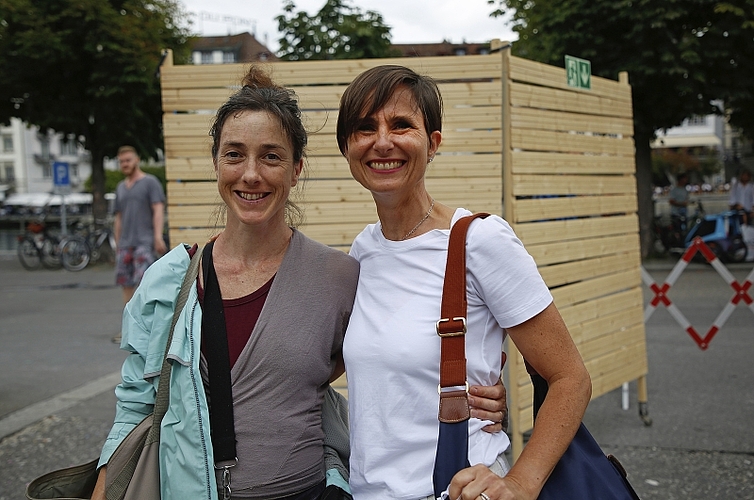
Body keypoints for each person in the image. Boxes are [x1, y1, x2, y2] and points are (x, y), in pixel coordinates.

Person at [92, 66, 505, 500]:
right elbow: (134, 409)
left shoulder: (339, 276)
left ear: (296, 170)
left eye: (271, 156)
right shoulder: (169, 281)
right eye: (234, 154)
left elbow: (395, 357)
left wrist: (480, 396)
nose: (251, 174)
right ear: (216, 163)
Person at [336, 65, 592, 500]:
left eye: (402, 125)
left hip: (456, 491)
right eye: (364, 128)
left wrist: (520, 484)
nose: (382, 141)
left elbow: (570, 378)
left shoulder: (479, 240)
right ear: (347, 148)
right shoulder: (364, 251)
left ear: (433, 142)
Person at [112, 145, 168, 343]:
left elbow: (158, 209)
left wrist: (157, 236)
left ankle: (148, 330)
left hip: (145, 242)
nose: (125, 164)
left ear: (136, 160)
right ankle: (129, 329)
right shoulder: (120, 187)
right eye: (121, 161)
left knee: (145, 286)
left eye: (128, 160)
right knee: (126, 285)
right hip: (126, 244)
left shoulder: (149, 182)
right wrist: (118, 243)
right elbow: (118, 217)